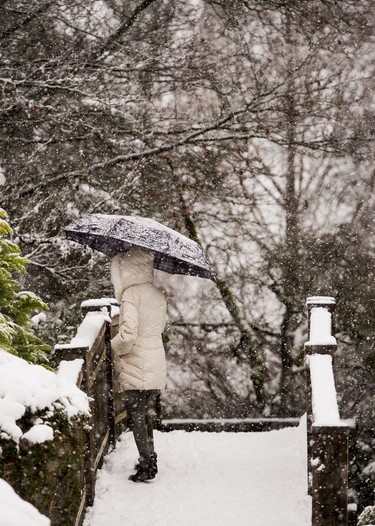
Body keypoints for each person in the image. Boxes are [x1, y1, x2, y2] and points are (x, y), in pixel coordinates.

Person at [110, 248, 167, 483]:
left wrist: (112, 346)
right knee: (143, 413)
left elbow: (129, 335)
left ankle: (147, 463)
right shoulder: (157, 293)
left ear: (125, 270)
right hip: (154, 357)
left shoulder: (131, 294)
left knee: (136, 414)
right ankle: (148, 456)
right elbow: (157, 327)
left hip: (137, 360)